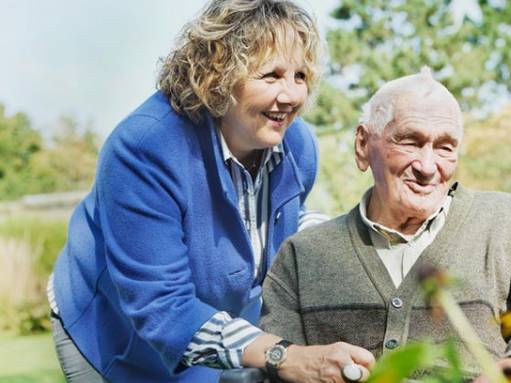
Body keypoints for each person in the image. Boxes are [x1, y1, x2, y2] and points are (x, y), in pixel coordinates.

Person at [47, 1, 373, 382]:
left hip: (212, 323)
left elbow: (285, 219)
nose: (291, 95)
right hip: (114, 329)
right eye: (271, 75)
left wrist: (337, 251)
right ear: (218, 74)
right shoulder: (145, 149)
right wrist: (285, 355)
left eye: (300, 75)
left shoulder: (297, 146)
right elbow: (162, 307)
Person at [260, 68, 511, 380]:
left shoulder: (508, 226)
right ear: (363, 145)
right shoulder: (303, 255)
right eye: (410, 142)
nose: (428, 166)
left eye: (445, 147)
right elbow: (272, 365)